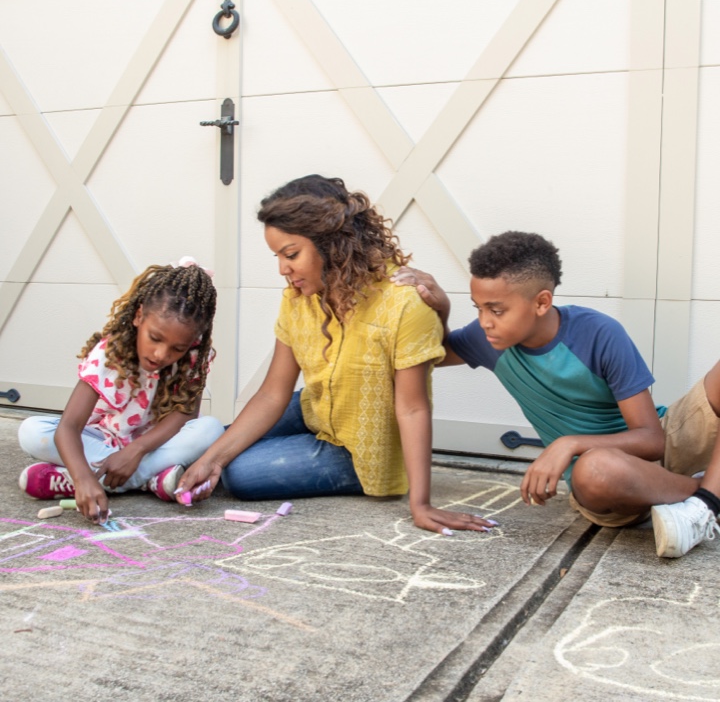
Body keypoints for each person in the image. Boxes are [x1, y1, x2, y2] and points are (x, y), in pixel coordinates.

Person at [175, 174, 495, 535]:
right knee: (211, 442)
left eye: (291, 254)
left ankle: (225, 459)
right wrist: (211, 459)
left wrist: (420, 504)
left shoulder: (403, 301)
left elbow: (412, 407)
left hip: (361, 446)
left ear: (332, 244)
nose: (283, 268)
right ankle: (184, 463)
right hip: (320, 407)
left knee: (241, 474)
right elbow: (272, 393)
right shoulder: (299, 298)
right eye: (278, 256)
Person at [392, 230, 720, 558]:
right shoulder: (487, 339)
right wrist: (443, 308)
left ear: (542, 302)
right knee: (595, 470)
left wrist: (569, 442)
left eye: (496, 310)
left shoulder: (598, 333)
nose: (485, 322)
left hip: (664, 442)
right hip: (610, 484)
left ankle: (703, 504)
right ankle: (707, 495)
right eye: (478, 309)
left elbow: (652, 441)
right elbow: (428, 354)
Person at [17, 258, 225, 524]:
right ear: (139, 317)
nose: (161, 354)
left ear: (192, 342)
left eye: (177, 348)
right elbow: (69, 426)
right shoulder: (110, 351)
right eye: (155, 338)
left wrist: (135, 451)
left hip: (154, 446)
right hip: (102, 439)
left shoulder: (194, 358)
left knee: (210, 430)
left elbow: (184, 416)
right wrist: (84, 476)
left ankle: (79, 482)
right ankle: (150, 480)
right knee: (32, 432)